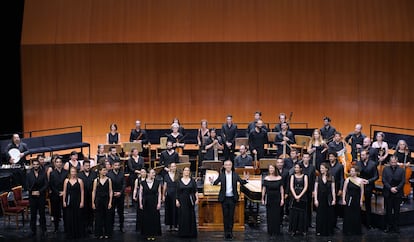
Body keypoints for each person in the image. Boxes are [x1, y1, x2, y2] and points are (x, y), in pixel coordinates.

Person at [209, 160, 248, 240]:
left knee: (231, 216)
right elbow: (215, 182)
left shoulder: (235, 175)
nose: (228, 166)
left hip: (232, 198)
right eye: (226, 165)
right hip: (224, 199)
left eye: (229, 165)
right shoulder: (222, 175)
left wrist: (246, 179)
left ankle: (230, 232)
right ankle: (226, 233)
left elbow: (241, 182)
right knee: (225, 216)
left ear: (232, 166)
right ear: (224, 166)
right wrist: (212, 182)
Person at [382, 155, 405, 233]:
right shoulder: (385, 169)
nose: (393, 164)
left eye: (395, 162)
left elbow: (403, 181)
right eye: (392, 162)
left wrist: (397, 188)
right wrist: (390, 188)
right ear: (389, 162)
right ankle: (388, 226)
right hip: (388, 192)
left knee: (396, 211)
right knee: (388, 210)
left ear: (397, 161)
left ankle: (396, 226)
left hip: (397, 193)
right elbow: (384, 180)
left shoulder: (401, 170)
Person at [356, 149, 379, 229]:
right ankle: (359, 222)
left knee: (368, 205)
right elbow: (356, 173)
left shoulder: (373, 164)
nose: (361, 156)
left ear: (367, 155)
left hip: (368, 186)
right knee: (358, 204)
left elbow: (376, 176)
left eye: (363, 155)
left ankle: (368, 223)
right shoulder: (358, 163)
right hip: (359, 185)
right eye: (361, 155)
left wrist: (368, 181)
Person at [26, 159, 48, 237]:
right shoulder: (29, 174)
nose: (36, 165)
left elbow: (46, 184)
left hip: (41, 196)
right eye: (34, 164)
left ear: (39, 165)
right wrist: (32, 192)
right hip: (32, 197)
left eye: (37, 164)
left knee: (42, 214)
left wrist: (39, 191)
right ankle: (33, 230)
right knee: (33, 214)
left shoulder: (43, 173)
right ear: (33, 165)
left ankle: (44, 229)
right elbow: (27, 185)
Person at [261, 164, 284, 237]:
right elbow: (264, 189)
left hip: (277, 197)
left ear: (275, 169)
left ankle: (276, 230)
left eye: (272, 168)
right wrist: (262, 198)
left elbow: (281, 189)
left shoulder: (279, 178)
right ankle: (270, 230)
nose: (271, 170)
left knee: (277, 214)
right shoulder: (266, 178)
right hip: (269, 198)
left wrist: (282, 199)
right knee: (270, 214)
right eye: (270, 168)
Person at [62, 166, 85, 239]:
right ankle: (70, 233)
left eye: (74, 171)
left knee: (78, 216)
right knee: (69, 217)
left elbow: (82, 191)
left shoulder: (80, 181)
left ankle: (78, 233)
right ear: (70, 172)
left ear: (76, 172)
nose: (73, 173)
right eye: (72, 171)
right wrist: (64, 201)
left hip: (77, 200)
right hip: (69, 200)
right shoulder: (66, 180)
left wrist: (82, 201)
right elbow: (64, 191)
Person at [139, 168, 162, 240]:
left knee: (154, 218)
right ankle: (147, 234)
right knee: (147, 218)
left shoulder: (157, 182)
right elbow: (140, 193)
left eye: (154, 173)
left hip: (154, 201)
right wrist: (140, 203)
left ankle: (154, 234)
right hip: (146, 202)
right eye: (152, 173)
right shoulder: (142, 183)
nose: (154, 174)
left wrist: (159, 203)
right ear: (148, 174)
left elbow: (159, 193)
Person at [176, 166, 198, 238]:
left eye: (188, 170)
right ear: (183, 172)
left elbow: (195, 191)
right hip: (182, 200)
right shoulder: (179, 181)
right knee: (182, 215)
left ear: (189, 172)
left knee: (190, 215)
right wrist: (177, 200)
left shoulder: (192, 181)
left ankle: (191, 233)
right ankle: (183, 233)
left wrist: (197, 199)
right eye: (185, 170)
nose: (186, 172)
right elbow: (177, 192)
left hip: (190, 200)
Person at [314, 162, 336, 236]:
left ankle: (328, 230)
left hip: (328, 197)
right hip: (320, 197)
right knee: (320, 214)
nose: (321, 170)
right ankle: (319, 230)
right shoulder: (318, 177)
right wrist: (315, 199)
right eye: (320, 168)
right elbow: (316, 189)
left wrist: (334, 199)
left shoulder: (331, 177)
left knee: (328, 214)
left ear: (326, 169)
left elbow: (333, 189)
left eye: (322, 168)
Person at [92, 165, 113, 239]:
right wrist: (93, 202)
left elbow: (110, 191)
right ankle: (99, 233)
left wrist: (110, 202)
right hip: (98, 200)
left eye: (106, 170)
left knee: (107, 217)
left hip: (106, 200)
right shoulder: (96, 180)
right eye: (103, 170)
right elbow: (94, 191)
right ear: (100, 171)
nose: (105, 171)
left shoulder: (109, 180)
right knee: (98, 217)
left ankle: (107, 233)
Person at [342, 165, 364, 235]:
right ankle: (348, 230)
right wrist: (343, 199)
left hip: (356, 199)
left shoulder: (360, 180)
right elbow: (344, 190)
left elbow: (362, 191)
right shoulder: (347, 180)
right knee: (348, 214)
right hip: (349, 198)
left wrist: (361, 200)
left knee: (356, 214)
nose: (351, 172)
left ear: (356, 172)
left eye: (353, 171)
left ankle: (356, 230)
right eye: (350, 171)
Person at [48, 156, 68, 233]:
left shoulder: (66, 172)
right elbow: (51, 185)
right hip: (55, 195)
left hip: (64, 194)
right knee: (56, 212)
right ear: (55, 163)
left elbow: (68, 183)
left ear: (62, 163)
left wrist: (64, 192)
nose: (59, 163)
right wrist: (57, 192)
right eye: (57, 162)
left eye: (60, 162)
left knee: (66, 212)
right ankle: (56, 228)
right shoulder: (52, 173)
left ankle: (66, 227)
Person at [288, 163, 309, 236]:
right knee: (294, 213)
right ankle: (293, 230)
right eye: (295, 167)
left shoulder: (305, 176)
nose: (296, 169)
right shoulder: (292, 176)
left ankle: (302, 230)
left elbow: (305, 187)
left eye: (297, 167)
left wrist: (299, 196)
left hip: (303, 196)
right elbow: (291, 187)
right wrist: (295, 196)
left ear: (301, 169)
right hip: (294, 195)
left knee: (302, 213)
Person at [78, 158, 97, 234]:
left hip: (91, 196)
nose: (88, 167)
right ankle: (84, 226)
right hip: (83, 196)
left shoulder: (94, 174)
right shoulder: (79, 175)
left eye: (89, 166)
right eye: (86, 166)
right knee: (83, 212)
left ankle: (90, 226)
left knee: (91, 212)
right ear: (83, 166)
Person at [327, 151, 344, 229]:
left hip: (336, 188)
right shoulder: (327, 165)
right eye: (330, 157)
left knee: (335, 206)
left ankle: (334, 223)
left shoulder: (340, 166)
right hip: (327, 188)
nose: (331, 158)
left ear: (335, 157)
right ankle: (328, 221)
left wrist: (340, 189)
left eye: (332, 157)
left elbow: (341, 178)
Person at [107, 160, 125, 233]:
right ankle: (111, 227)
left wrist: (120, 192)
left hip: (120, 195)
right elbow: (108, 185)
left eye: (118, 165)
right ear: (112, 166)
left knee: (121, 212)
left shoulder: (122, 173)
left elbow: (124, 184)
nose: (117, 166)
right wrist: (113, 192)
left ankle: (121, 226)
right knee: (111, 212)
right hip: (112, 195)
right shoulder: (109, 174)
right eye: (115, 165)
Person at [162, 162, 179, 232]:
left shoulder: (178, 175)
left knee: (176, 210)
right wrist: (163, 195)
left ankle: (176, 225)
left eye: (174, 166)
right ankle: (170, 225)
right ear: (169, 168)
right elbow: (165, 186)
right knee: (169, 209)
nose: (173, 168)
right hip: (169, 194)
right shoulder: (166, 176)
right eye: (172, 166)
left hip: (176, 193)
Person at [301, 152, 316, 228]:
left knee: (309, 207)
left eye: (307, 157)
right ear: (302, 158)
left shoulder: (312, 167)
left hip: (309, 189)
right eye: (304, 157)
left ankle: (308, 223)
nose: (306, 159)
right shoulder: (300, 167)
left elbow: (313, 179)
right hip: (301, 189)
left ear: (309, 158)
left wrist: (313, 190)